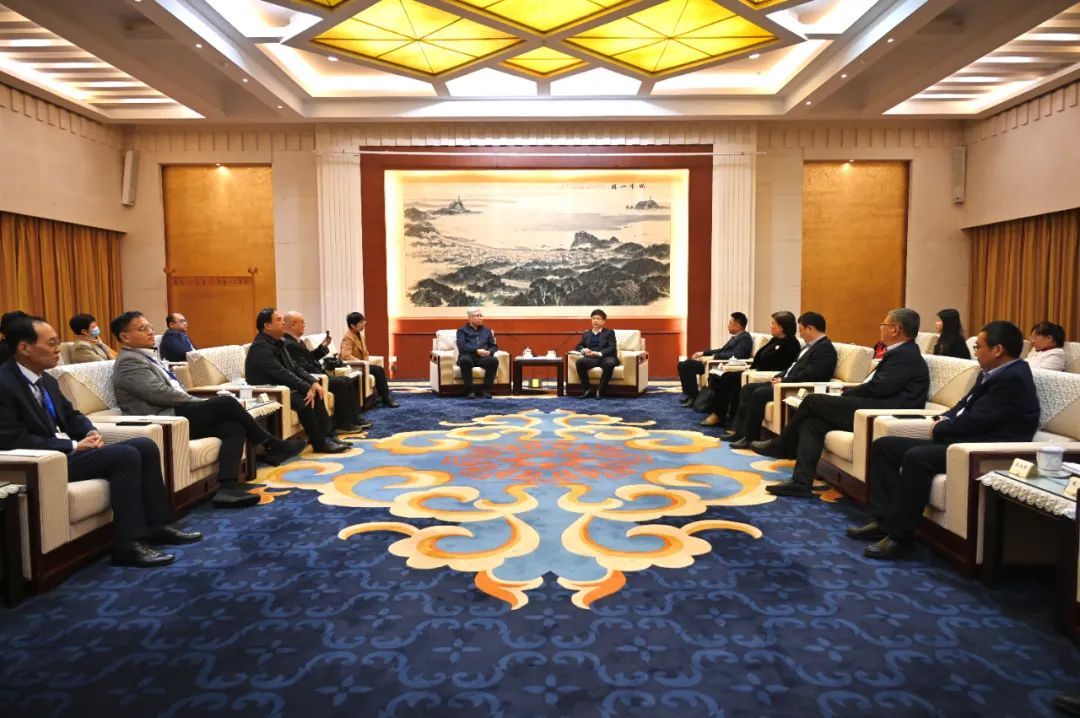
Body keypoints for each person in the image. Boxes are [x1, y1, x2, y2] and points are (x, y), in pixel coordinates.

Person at [0, 315, 200, 567]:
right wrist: (73, 446)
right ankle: (128, 545)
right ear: (24, 347)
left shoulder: (46, 379)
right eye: (51, 343)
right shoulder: (5, 385)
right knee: (125, 456)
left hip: (64, 453)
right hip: (45, 461)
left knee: (144, 445)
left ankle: (158, 526)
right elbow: (12, 439)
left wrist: (89, 432)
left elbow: (72, 415)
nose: (58, 349)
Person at [849, 321, 1039, 560]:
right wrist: (942, 418)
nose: (975, 352)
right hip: (964, 440)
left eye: (979, 346)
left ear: (998, 350)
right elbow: (963, 405)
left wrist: (942, 429)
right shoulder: (992, 372)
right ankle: (883, 521)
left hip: (983, 447)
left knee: (917, 457)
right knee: (884, 446)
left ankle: (900, 537)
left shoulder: (1013, 378)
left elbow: (980, 420)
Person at [111, 311, 306, 508]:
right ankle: (271, 443)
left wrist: (195, 402)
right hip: (163, 418)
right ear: (125, 337)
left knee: (233, 427)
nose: (150, 332)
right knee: (226, 403)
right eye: (142, 329)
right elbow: (159, 394)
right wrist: (195, 401)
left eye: (150, 327)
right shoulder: (129, 361)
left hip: (176, 413)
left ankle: (227, 489)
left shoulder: (146, 357)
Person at [753, 308, 931, 498]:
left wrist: (846, 394)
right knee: (813, 423)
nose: (881, 328)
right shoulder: (900, 352)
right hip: (873, 405)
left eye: (883, 324)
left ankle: (782, 445)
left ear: (895, 329)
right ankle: (801, 482)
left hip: (884, 412)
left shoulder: (906, 355)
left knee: (812, 401)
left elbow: (879, 388)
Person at [721, 311, 837, 448]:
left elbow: (811, 375)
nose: (799, 334)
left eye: (801, 330)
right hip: (785, 382)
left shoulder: (825, 349)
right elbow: (792, 367)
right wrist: (780, 376)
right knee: (748, 388)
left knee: (759, 393)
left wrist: (784, 382)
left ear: (810, 329)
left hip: (796, 389)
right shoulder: (810, 346)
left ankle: (750, 437)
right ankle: (740, 432)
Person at [245, 307, 350, 454]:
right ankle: (319, 443)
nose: (283, 323)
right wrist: (305, 387)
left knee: (316, 393)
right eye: (279, 320)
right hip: (269, 390)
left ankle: (328, 436)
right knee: (305, 401)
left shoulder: (278, 342)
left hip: (283, 386)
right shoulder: (260, 347)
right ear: (267, 325)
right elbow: (281, 373)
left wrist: (313, 382)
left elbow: (295, 367)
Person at [700, 311, 800, 427]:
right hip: (756, 371)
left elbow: (779, 366)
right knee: (724, 377)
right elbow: (760, 358)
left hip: (767, 375)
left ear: (782, 327)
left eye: (773, 323)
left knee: (731, 380)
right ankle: (720, 414)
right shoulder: (775, 340)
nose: (770, 326)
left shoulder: (791, 344)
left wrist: (752, 371)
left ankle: (724, 417)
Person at [282, 311, 371, 432]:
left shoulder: (298, 341)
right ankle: (342, 424)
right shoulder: (289, 344)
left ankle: (353, 419)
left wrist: (323, 347)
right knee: (341, 383)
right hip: (314, 378)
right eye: (302, 322)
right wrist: (321, 372)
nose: (304, 325)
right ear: (293, 324)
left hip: (319, 374)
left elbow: (309, 358)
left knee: (347, 381)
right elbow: (303, 366)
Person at [677, 312, 753, 406]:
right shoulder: (736, 337)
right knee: (683, 365)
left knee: (687, 365)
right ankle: (691, 395)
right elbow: (721, 350)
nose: (727, 325)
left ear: (737, 326)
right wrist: (704, 353)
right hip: (715, 363)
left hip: (721, 365)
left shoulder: (745, 339)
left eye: (730, 323)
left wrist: (714, 357)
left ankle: (693, 397)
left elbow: (736, 355)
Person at [340, 312, 398, 408]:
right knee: (378, 370)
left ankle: (383, 396)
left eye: (363, 321)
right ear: (353, 325)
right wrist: (362, 363)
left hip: (363, 365)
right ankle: (385, 398)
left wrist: (366, 362)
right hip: (354, 366)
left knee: (378, 369)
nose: (364, 324)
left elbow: (365, 352)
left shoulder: (359, 335)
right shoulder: (348, 337)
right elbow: (345, 355)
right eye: (361, 322)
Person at [455, 307, 499, 399]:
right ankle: (470, 390)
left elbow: (494, 346)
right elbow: (462, 347)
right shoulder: (462, 331)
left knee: (493, 360)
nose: (480, 318)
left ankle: (486, 390)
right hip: (468, 356)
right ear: (470, 318)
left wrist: (489, 352)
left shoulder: (487, 331)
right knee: (464, 360)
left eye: (481, 315)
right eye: (477, 316)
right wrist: (476, 350)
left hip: (483, 358)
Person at [575, 309, 619, 400]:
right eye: (593, 318)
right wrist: (583, 350)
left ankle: (600, 390)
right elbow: (579, 346)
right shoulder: (586, 333)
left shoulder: (609, 332)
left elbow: (612, 348)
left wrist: (599, 353)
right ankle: (587, 389)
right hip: (592, 358)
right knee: (580, 362)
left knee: (609, 363)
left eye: (598, 319)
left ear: (603, 321)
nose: (595, 320)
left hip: (605, 357)